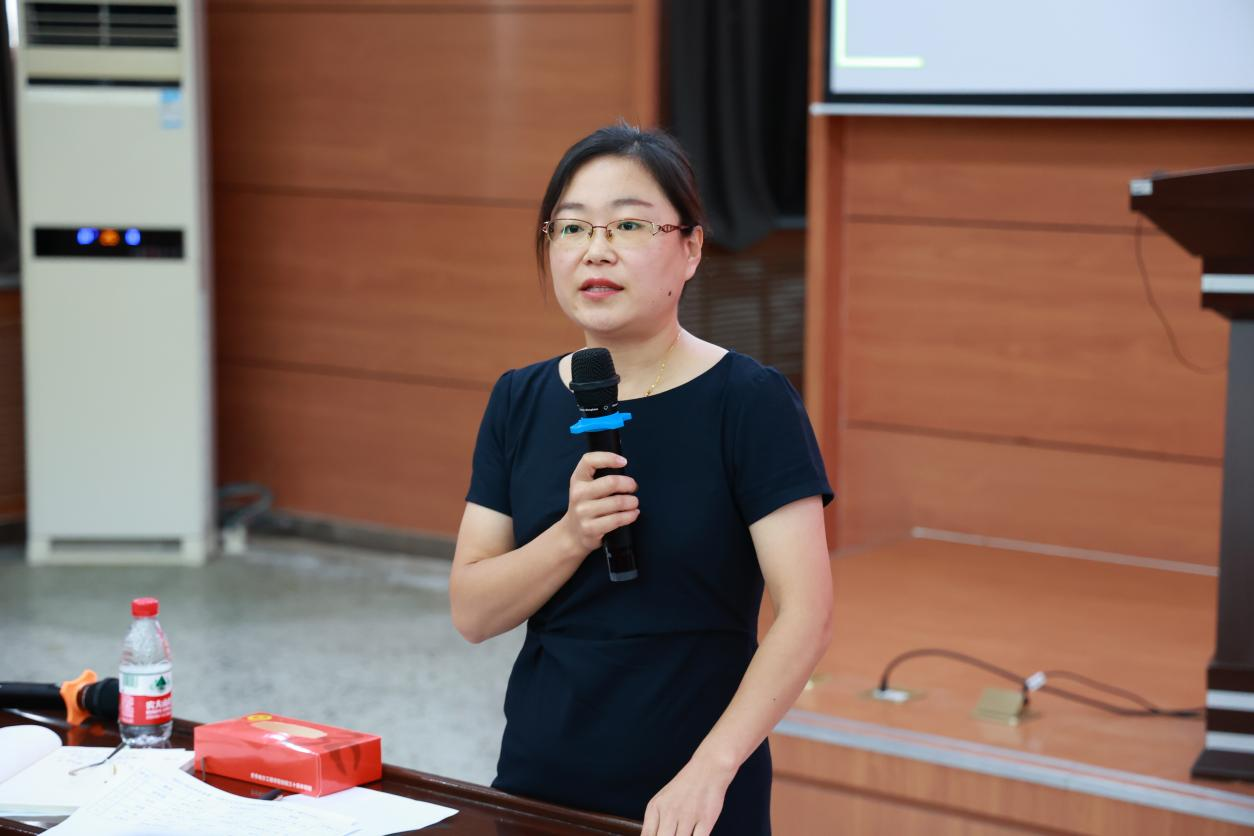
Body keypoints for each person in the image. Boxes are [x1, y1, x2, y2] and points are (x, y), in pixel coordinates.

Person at [450, 122, 833, 836]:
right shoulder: (519, 398)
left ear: (690, 249)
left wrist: (710, 770)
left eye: (628, 225)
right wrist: (571, 536)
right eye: (571, 228)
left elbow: (806, 615)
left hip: (693, 797)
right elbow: (473, 612)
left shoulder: (750, 401)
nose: (595, 249)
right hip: (540, 781)